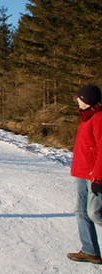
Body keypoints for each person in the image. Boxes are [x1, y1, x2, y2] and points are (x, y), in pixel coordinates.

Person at [68, 84, 102, 264]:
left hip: (94, 175)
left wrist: (98, 176)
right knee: (80, 212)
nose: (77, 100)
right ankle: (90, 250)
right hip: (81, 173)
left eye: (79, 97)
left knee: (95, 213)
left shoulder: (98, 118)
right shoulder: (87, 117)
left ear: (86, 99)